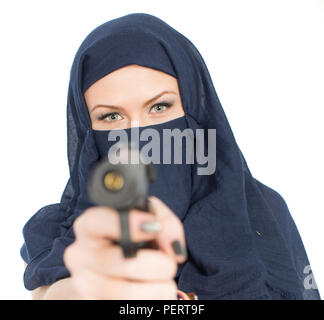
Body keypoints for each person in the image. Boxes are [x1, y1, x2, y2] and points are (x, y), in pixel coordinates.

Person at [20, 12, 321, 300]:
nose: (137, 138)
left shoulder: (262, 213)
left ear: (195, 111)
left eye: (159, 108)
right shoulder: (58, 235)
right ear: (88, 134)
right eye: (111, 117)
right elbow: (54, 292)